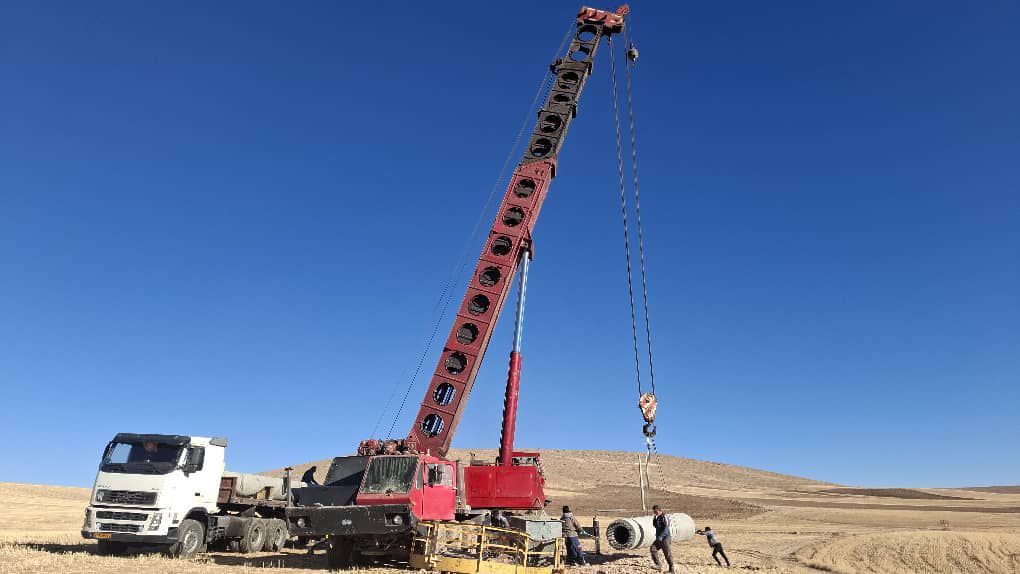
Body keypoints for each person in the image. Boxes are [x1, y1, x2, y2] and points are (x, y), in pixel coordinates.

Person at [650, 505, 675, 573]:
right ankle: (658, 565)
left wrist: (661, 536)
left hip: (665, 538)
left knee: (667, 553)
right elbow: (655, 526)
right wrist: (654, 518)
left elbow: (666, 528)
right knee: (653, 549)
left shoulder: (664, 517)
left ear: (659, 510)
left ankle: (671, 569)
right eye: (654, 512)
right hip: (659, 538)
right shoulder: (657, 517)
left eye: (656, 511)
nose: (655, 513)